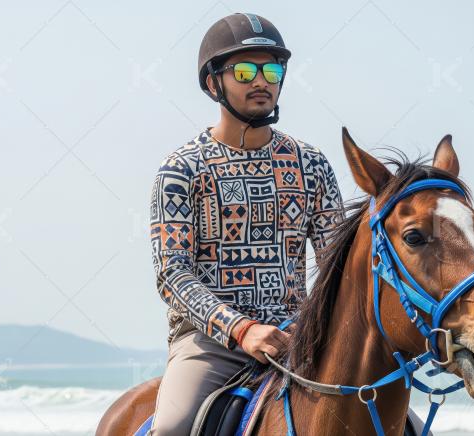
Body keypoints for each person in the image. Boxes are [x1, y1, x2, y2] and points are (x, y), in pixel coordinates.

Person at [147, 13, 345, 434]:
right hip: (210, 344)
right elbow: (171, 274)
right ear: (212, 83)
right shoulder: (181, 169)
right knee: (171, 428)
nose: (261, 81)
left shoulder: (311, 165)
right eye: (244, 70)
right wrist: (240, 328)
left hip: (300, 337)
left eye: (271, 69)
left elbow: (336, 266)